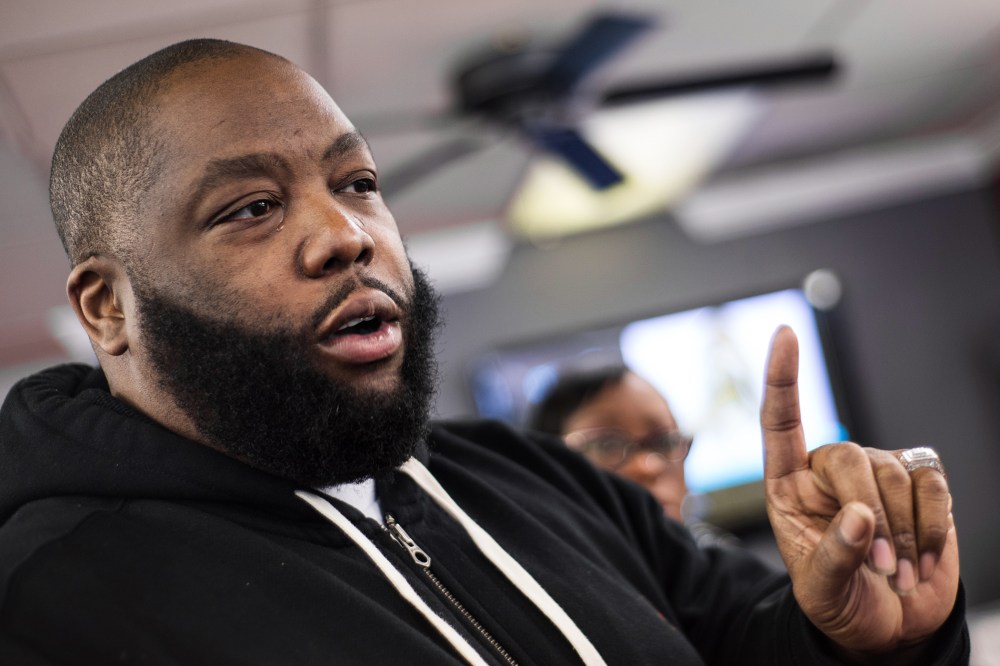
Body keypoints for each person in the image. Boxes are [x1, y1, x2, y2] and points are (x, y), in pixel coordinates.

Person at [0, 38, 967, 664]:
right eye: (251, 207)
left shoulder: (535, 475)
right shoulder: (51, 606)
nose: (346, 234)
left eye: (359, 180)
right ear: (108, 306)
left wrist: (862, 646)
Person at [529, 365, 740, 550]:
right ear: (551, 464)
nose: (649, 466)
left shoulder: (722, 562)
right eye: (607, 445)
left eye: (663, 441)